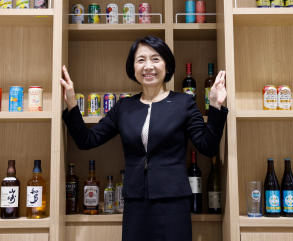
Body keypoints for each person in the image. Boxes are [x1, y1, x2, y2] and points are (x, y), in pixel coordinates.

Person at [61, 35, 227, 241]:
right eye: (141, 60)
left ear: (167, 65)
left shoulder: (184, 103)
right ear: (133, 68)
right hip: (135, 201)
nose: (148, 66)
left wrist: (216, 106)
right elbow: (86, 140)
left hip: (173, 201)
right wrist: (71, 102)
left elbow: (208, 146)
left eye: (155, 59)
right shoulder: (124, 107)